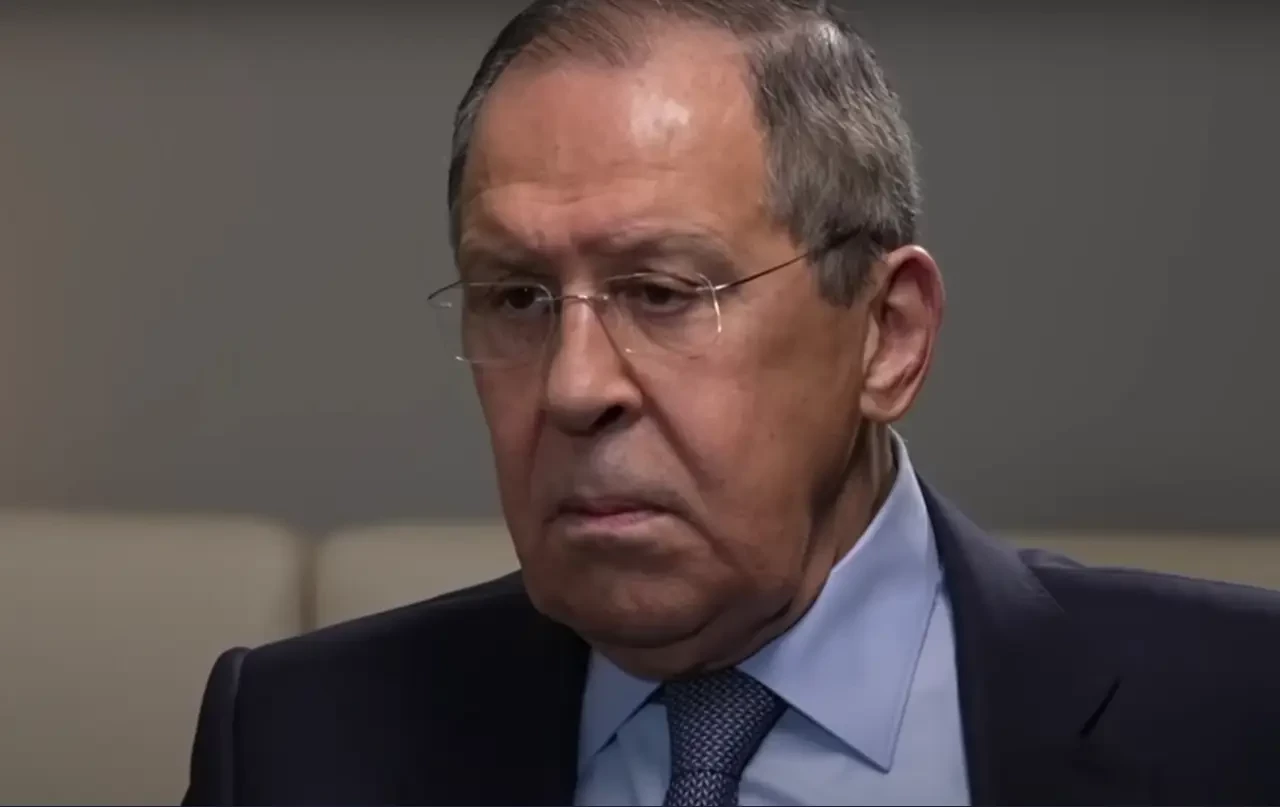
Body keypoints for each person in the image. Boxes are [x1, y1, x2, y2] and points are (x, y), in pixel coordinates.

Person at [182, 1, 1280, 805]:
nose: (573, 387)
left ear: (887, 335)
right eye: (515, 297)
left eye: (662, 293)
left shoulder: (1238, 713)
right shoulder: (295, 744)